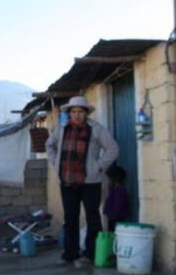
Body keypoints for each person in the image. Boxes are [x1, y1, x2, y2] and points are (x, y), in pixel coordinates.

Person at [46, 96, 118, 268]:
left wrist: (98, 166)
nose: (77, 115)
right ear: (69, 113)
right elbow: (50, 145)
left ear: (86, 113)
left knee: (93, 218)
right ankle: (70, 254)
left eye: (80, 112)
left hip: (90, 182)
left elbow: (112, 149)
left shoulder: (96, 129)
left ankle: (89, 254)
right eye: (74, 112)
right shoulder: (62, 128)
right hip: (67, 181)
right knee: (70, 218)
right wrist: (56, 163)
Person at [104, 164, 130, 232]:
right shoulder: (115, 190)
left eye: (109, 179)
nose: (108, 181)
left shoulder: (119, 191)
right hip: (113, 218)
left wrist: (113, 215)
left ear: (114, 179)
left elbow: (118, 206)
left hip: (117, 219)